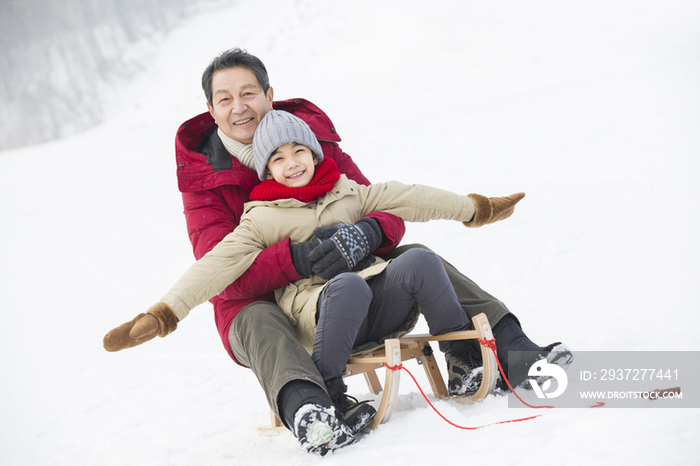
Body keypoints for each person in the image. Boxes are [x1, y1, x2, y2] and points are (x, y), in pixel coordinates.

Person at [103, 48, 571, 456]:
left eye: (248, 93)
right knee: (256, 316)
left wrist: (368, 233)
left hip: (356, 291)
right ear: (210, 108)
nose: (239, 107)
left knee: (416, 255)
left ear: (268, 94)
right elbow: (223, 268)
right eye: (225, 98)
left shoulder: (315, 147)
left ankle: (505, 351)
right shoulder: (209, 183)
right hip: (262, 305)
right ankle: (312, 406)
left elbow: (388, 203)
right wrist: (294, 260)